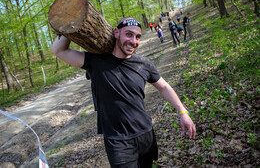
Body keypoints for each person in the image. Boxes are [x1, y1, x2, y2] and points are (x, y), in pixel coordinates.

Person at [50, 17, 196, 168]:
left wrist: (182, 112)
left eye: (137, 37)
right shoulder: (96, 61)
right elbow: (58, 50)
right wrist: (69, 24)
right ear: (116, 33)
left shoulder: (144, 64)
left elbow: (164, 87)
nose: (134, 41)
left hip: (145, 134)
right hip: (118, 141)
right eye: (129, 34)